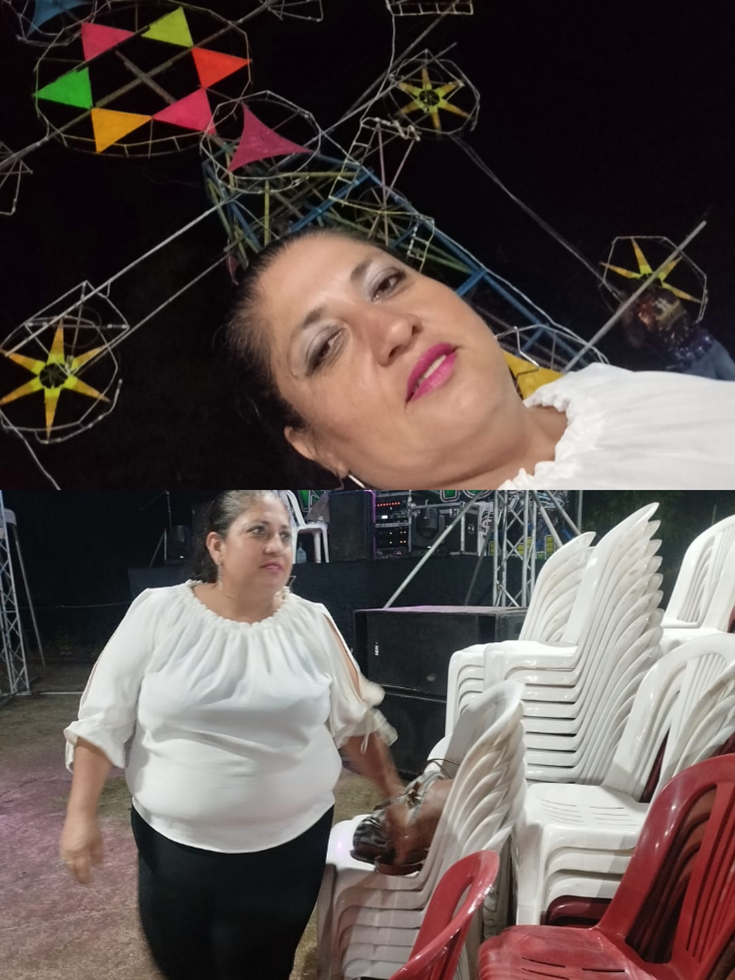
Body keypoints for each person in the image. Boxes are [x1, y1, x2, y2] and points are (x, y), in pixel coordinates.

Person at [59, 490, 407, 980]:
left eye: (285, 535)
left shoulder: (311, 622)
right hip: (176, 851)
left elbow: (355, 723)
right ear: (217, 545)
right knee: (187, 968)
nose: (276, 546)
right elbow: (102, 719)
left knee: (263, 968)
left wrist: (395, 797)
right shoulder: (159, 612)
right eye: (258, 531)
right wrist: (80, 814)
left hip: (290, 851)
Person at [226, 227, 735, 490]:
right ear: (315, 446)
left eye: (386, 283)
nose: (394, 328)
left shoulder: (603, 386)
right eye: (325, 347)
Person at [621, 284, 735, 381]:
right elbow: (636, 342)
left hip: (708, 345)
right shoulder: (638, 314)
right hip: (691, 362)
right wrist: (628, 315)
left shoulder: (664, 291)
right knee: (716, 397)